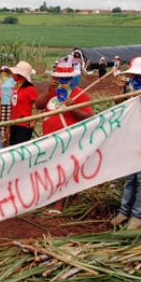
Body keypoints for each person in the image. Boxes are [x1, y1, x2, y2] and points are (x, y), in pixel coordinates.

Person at [35, 60, 93, 212]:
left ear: (72, 79)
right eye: (59, 78)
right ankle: (46, 199)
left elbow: (88, 117)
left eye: (66, 79)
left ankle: (59, 204)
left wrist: (73, 108)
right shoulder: (52, 91)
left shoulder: (79, 94)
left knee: (63, 170)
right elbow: (38, 105)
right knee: (48, 170)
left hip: (68, 140)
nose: (63, 81)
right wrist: (48, 90)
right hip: (49, 139)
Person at [111, 57, 141, 230]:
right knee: (130, 175)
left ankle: (138, 215)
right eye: (134, 74)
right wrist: (121, 87)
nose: (135, 76)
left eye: (138, 74)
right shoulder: (131, 88)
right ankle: (124, 211)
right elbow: (118, 103)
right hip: (131, 133)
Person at [7, 61, 38, 145]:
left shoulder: (30, 89)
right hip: (14, 124)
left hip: (24, 125)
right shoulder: (16, 87)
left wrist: (34, 122)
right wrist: (9, 126)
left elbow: (39, 106)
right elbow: (13, 107)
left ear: (19, 75)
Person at [0, 66, 15, 146]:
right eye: (2, 71)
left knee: (8, 121)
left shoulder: (12, 80)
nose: (4, 72)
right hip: (0, 103)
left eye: (6, 71)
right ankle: (1, 138)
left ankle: (7, 137)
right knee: (1, 121)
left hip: (8, 103)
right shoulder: (0, 80)